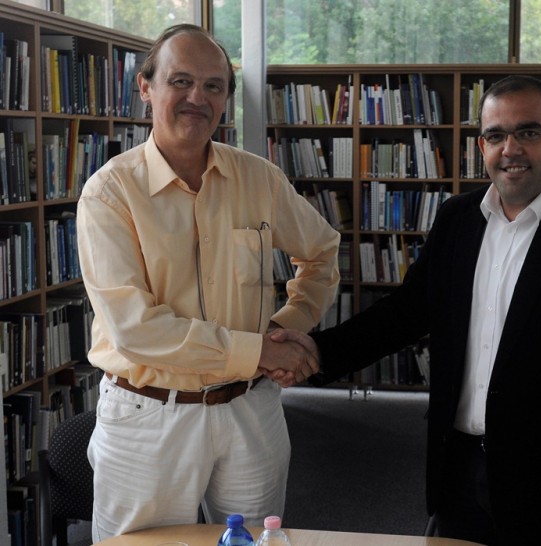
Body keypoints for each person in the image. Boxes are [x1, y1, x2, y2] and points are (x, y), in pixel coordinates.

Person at [273, 75, 541, 545]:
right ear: (481, 146)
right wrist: (317, 352)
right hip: (457, 469)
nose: (511, 149)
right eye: (496, 135)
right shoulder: (458, 219)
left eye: (528, 131)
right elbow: (404, 314)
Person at [76, 24, 340, 541]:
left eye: (213, 86)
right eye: (181, 81)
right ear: (146, 87)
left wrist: (285, 329)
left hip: (250, 410)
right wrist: (259, 350)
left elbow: (322, 252)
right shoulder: (110, 193)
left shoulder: (259, 179)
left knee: (254, 542)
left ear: (226, 99)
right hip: (149, 417)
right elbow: (134, 329)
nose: (198, 98)